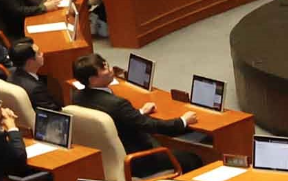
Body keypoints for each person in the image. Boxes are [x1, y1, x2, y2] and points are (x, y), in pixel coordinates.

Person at [72, 52, 200, 173]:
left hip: (103, 157)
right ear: (93, 80)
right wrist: (182, 121)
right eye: (105, 69)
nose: (111, 70)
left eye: (107, 65)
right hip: (136, 159)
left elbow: (113, 116)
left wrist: (139, 112)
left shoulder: (77, 97)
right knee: (191, 159)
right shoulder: (117, 104)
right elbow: (151, 126)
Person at [6, 40, 58, 117]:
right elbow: (54, 113)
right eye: (39, 53)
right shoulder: (36, 90)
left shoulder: (11, 72)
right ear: (30, 62)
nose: (42, 54)